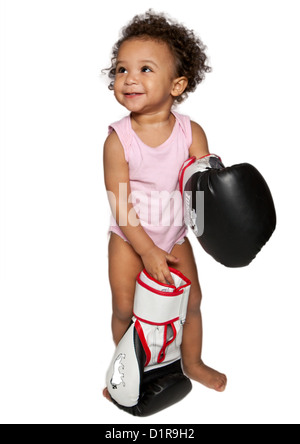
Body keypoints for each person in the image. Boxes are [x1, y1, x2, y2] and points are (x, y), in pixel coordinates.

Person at [102, 10, 227, 399]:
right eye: (122, 69)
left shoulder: (192, 132)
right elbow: (121, 206)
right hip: (129, 238)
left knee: (192, 304)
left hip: (174, 238)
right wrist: (146, 250)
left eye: (144, 68)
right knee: (126, 309)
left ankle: (192, 362)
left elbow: (203, 188)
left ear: (177, 84)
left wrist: (224, 216)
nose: (129, 78)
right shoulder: (117, 140)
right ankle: (124, 376)